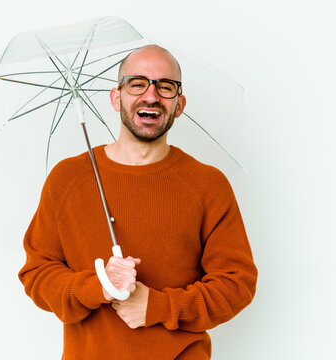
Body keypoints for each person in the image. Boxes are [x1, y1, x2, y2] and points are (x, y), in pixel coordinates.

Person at [18, 44, 258, 359]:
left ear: (180, 104)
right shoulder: (67, 179)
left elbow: (236, 284)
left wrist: (157, 307)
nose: (151, 95)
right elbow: (37, 273)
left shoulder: (207, 185)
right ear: (116, 97)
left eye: (166, 86)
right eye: (137, 83)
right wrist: (99, 286)